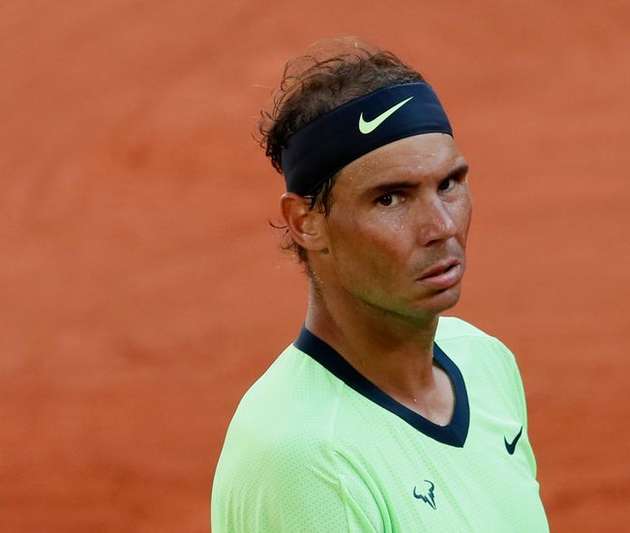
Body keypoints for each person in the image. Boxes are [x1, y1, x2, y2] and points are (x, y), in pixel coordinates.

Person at [211, 39, 549, 532]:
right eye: (390, 198)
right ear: (306, 221)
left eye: (449, 184)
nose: (441, 227)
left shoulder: (483, 362)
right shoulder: (306, 459)